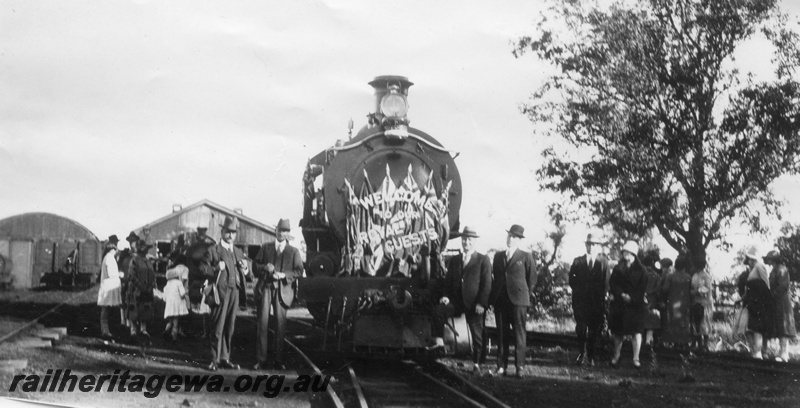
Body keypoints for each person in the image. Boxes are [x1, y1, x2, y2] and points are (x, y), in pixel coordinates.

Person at [431, 226, 492, 371]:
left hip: (474, 304)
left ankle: (477, 363)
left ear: (474, 242)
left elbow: (486, 284)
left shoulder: (483, 260)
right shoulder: (455, 259)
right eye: (464, 240)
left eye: (469, 240)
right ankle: (439, 341)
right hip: (456, 302)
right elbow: (448, 281)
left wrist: (481, 304)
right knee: (437, 311)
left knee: (477, 335)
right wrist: (445, 296)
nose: (466, 242)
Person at [252, 218, 303, 371]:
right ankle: (261, 360)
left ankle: (278, 360)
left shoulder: (293, 251)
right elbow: (255, 266)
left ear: (288, 234)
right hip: (266, 288)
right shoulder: (266, 248)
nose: (282, 233)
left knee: (280, 326)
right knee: (262, 324)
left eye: (285, 231)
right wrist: (264, 268)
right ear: (275, 231)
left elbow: (299, 271)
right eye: (280, 230)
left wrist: (284, 275)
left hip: (283, 290)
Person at [489, 224, 536, 378]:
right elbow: (495, 278)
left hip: (518, 302)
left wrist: (523, 294)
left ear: (519, 240)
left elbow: (532, 279)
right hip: (501, 301)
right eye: (509, 235)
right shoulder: (498, 256)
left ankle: (519, 368)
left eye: (514, 237)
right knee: (502, 334)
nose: (510, 239)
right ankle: (501, 367)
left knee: (519, 334)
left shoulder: (525, 256)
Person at [206, 216, 249, 371]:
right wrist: (216, 268)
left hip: (235, 292)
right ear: (222, 231)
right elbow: (202, 269)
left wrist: (245, 268)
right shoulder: (213, 250)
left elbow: (247, 274)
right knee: (217, 326)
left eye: (233, 232)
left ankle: (225, 358)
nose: (230, 235)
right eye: (228, 232)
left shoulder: (238, 251)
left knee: (229, 327)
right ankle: (214, 359)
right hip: (220, 292)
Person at [568, 231, 609, 367]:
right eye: (589, 244)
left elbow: (605, 283)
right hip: (580, 301)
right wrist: (580, 292)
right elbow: (571, 281)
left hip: (596, 302)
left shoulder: (603, 263)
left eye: (594, 244)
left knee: (593, 330)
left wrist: (602, 300)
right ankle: (581, 353)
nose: (591, 247)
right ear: (586, 245)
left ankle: (591, 356)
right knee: (581, 328)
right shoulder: (577, 261)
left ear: (598, 246)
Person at [608, 240, 647, 368]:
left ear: (633, 254)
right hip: (620, 304)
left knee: (636, 332)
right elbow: (613, 284)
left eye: (627, 252)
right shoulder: (618, 268)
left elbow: (642, 288)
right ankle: (616, 356)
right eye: (624, 252)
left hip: (635, 305)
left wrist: (632, 298)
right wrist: (621, 294)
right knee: (618, 332)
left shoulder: (642, 271)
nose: (625, 254)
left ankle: (636, 359)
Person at [741, 246, 773, 359]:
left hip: (760, 300)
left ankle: (759, 352)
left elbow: (766, 283)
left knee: (758, 326)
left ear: (753, 259)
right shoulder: (753, 269)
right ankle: (755, 351)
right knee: (751, 326)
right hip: (752, 299)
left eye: (749, 259)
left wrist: (766, 300)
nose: (748, 262)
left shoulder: (760, 266)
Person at [764, 250, 796, 362]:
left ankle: (784, 354)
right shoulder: (773, 271)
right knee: (778, 326)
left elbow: (782, 287)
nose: (767, 261)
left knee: (784, 326)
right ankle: (781, 353)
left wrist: (771, 295)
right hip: (775, 302)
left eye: (769, 259)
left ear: (774, 260)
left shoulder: (782, 270)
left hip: (782, 302)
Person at [186, 226, 215, 338]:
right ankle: (200, 330)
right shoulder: (193, 248)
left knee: (200, 306)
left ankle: (200, 330)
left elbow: (189, 264)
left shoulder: (193, 248)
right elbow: (190, 264)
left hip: (199, 280)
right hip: (200, 279)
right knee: (200, 307)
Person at [126, 239, 156, 337]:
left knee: (145, 308)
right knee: (134, 308)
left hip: (147, 289)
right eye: (145, 248)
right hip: (136, 289)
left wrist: (151, 285)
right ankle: (133, 329)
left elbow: (153, 275)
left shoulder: (148, 261)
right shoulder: (134, 260)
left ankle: (143, 329)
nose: (146, 250)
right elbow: (132, 275)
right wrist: (140, 286)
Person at [660, 256, 692, 348]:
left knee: (673, 322)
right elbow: (690, 290)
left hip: (673, 303)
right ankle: (684, 342)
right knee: (684, 322)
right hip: (685, 302)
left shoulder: (670, 277)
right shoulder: (688, 277)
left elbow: (665, 289)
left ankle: (675, 343)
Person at [97, 235, 122, 339]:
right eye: (115, 248)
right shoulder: (109, 258)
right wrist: (121, 274)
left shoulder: (108, 257)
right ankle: (105, 331)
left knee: (107, 310)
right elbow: (112, 274)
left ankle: (106, 330)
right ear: (113, 248)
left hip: (108, 287)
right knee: (106, 309)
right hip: (108, 287)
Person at [642, 253, 663, 362]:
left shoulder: (641, 273)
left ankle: (642, 343)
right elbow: (659, 289)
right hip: (652, 300)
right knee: (651, 322)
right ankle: (648, 342)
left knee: (641, 321)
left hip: (641, 300)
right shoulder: (656, 275)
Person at [690, 261, 714, 350]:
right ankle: (700, 344)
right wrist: (694, 292)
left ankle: (705, 344)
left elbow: (708, 289)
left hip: (705, 302)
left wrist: (698, 291)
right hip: (696, 301)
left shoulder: (705, 276)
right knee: (697, 323)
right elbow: (692, 287)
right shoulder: (695, 275)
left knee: (705, 323)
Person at [118, 231, 139, 329]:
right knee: (124, 299)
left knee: (134, 300)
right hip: (126, 279)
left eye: (133, 241)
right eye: (131, 241)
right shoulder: (124, 255)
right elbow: (120, 267)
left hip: (135, 281)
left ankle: (133, 321)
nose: (132, 243)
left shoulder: (138, 255)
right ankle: (124, 320)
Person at [163, 265, 190, 341]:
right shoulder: (179, 283)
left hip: (169, 305)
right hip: (177, 305)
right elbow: (182, 293)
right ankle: (174, 336)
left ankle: (166, 330)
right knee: (176, 322)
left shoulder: (167, 284)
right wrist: (184, 297)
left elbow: (165, 295)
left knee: (170, 320)